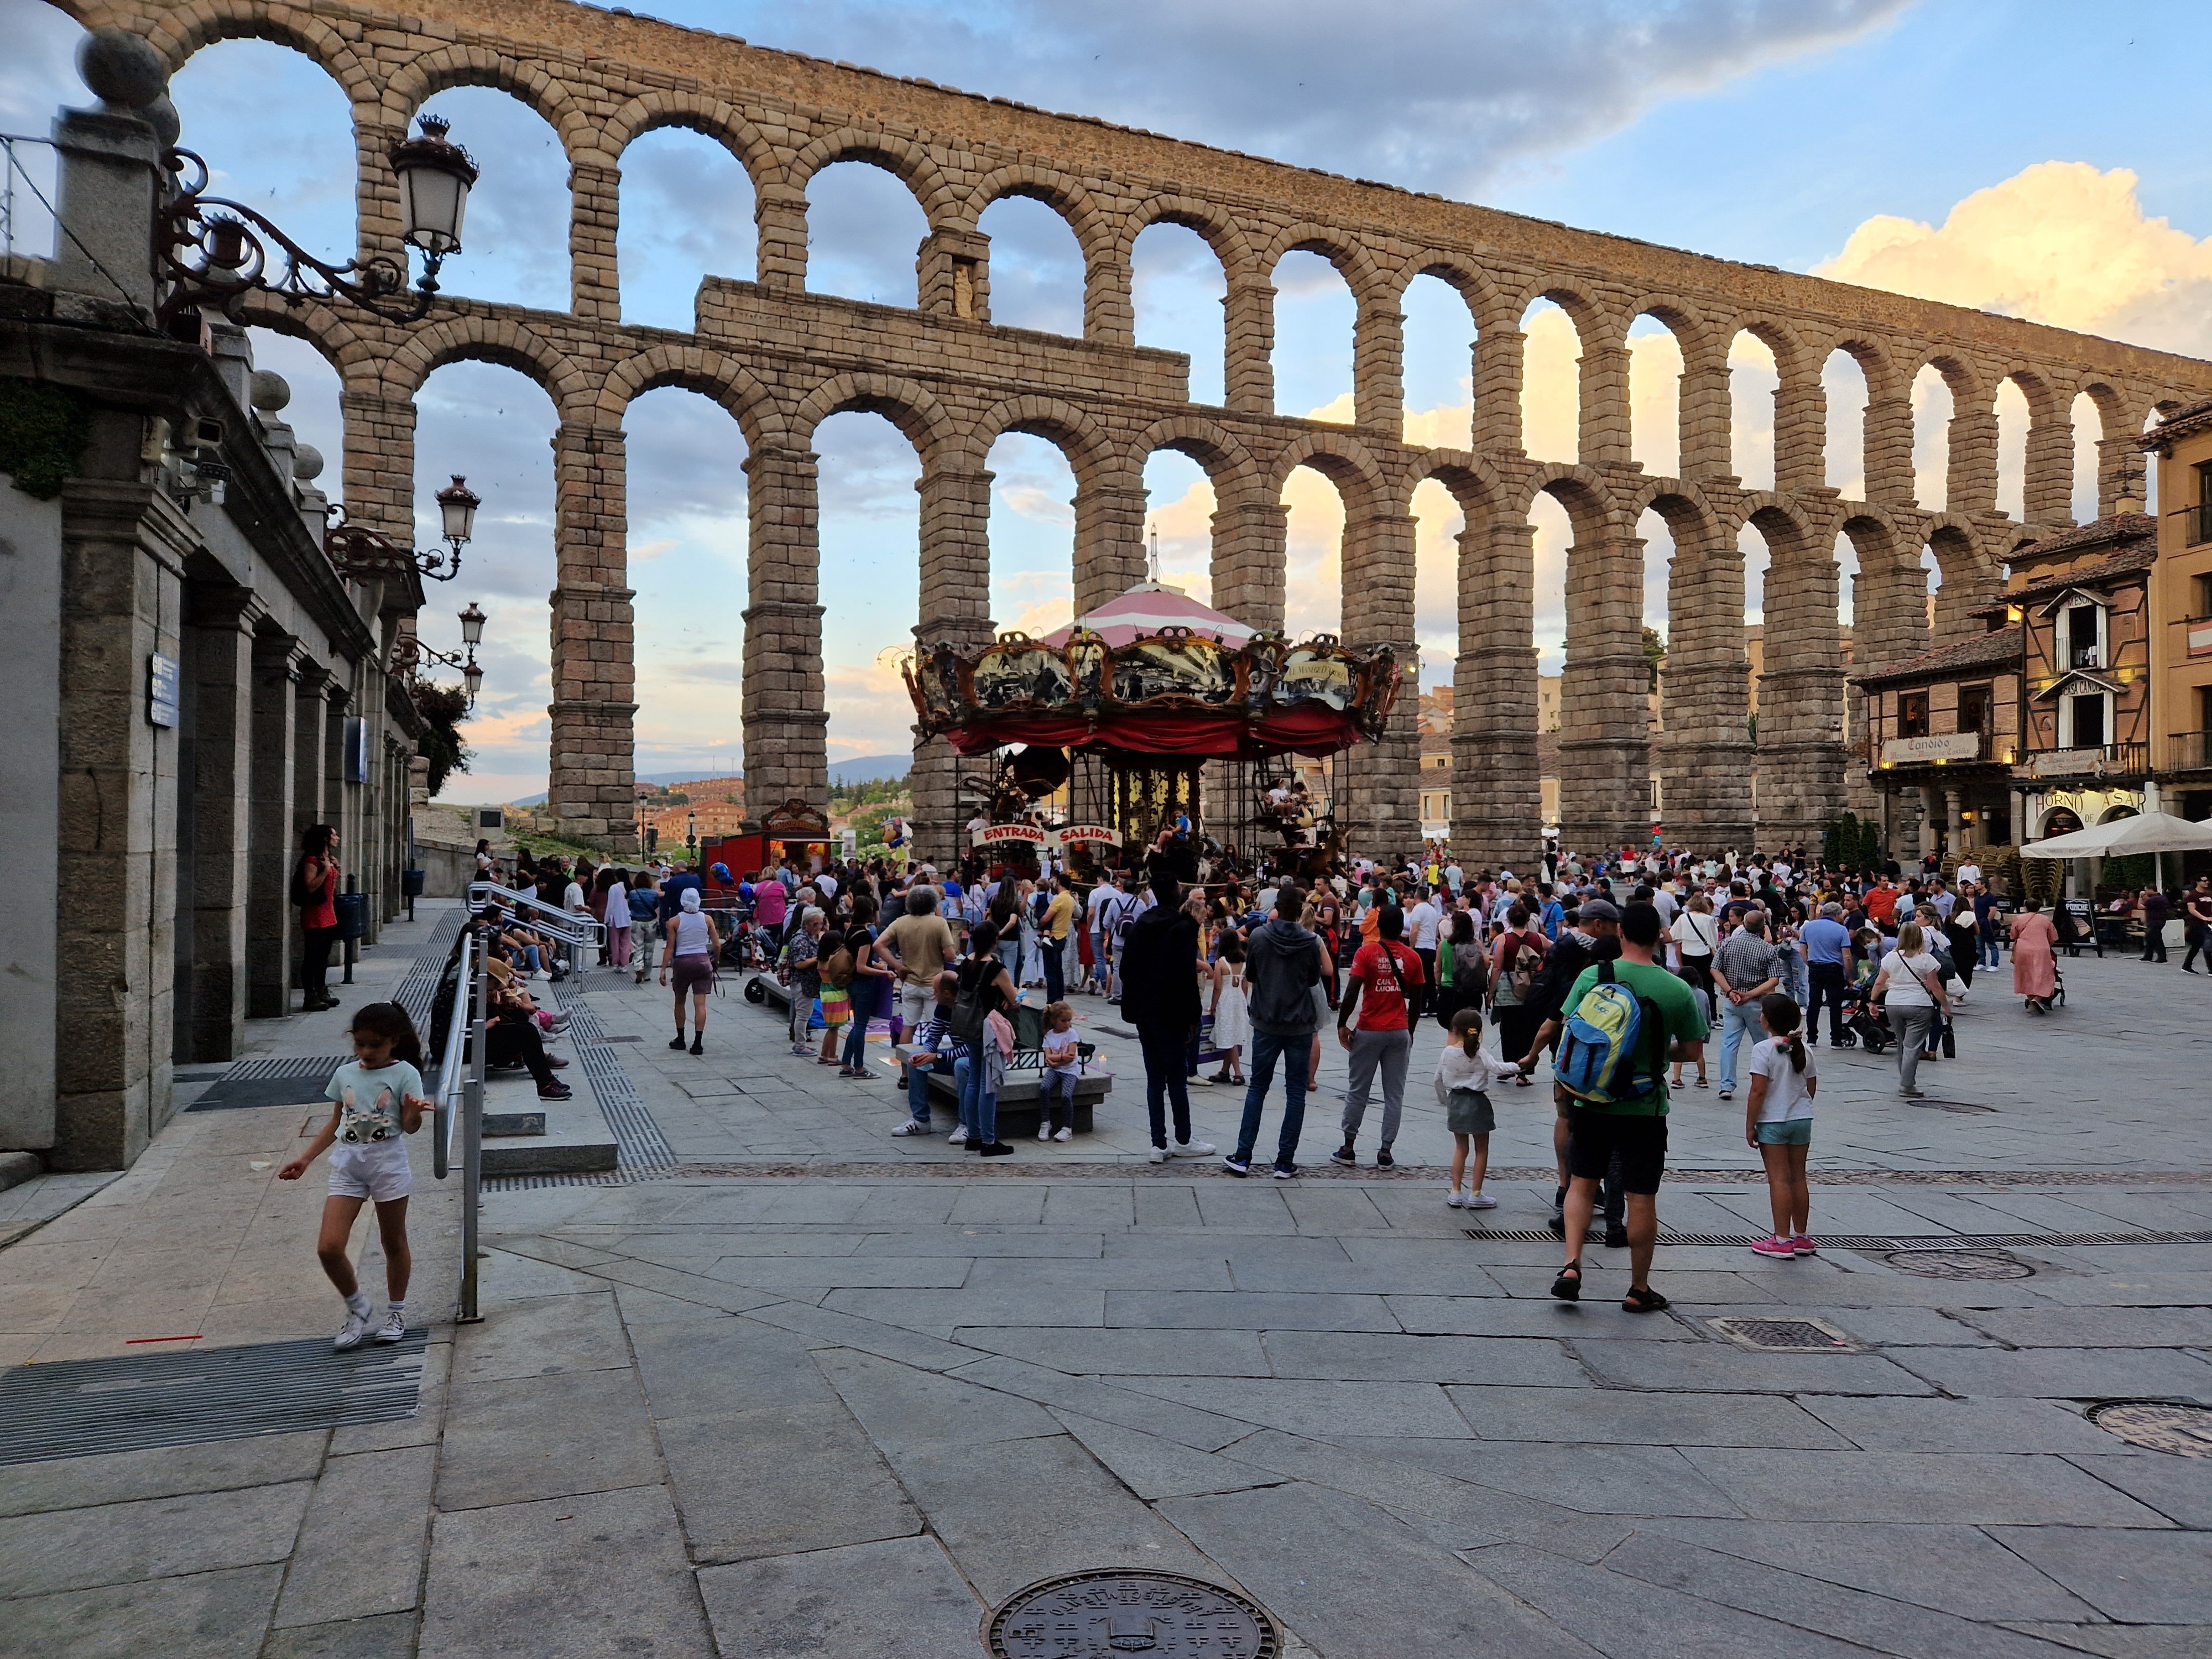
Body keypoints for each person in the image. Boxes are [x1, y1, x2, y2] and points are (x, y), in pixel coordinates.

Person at [1546, 901, 1708, 1313]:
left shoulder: (1593, 975)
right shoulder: (1676, 988)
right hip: (1644, 1106)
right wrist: (1654, 1052)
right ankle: (1638, 1288)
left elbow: (1568, 1029)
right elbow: (1690, 1051)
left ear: (1619, 934)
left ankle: (1571, 1265)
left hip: (1592, 1101)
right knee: (1641, 1198)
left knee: (1582, 1183)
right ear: (1659, 937)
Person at [278, 1003, 434, 1350]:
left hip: (388, 1163)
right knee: (329, 1247)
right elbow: (337, 1121)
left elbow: (409, 1128)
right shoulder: (345, 1073)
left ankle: (397, 1312)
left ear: (393, 1041)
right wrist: (305, 1159)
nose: (366, 1052)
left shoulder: (406, 1073)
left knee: (393, 1243)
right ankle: (358, 1306)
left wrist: (412, 1112)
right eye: (360, 1044)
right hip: (348, 1164)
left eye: (374, 1045)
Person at [1227, 885, 1322, 1178]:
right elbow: (1312, 979)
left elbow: (1252, 974)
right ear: (1300, 910)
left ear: (1277, 908)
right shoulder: (1310, 941)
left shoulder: (1259, 936)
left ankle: (1243, 1155)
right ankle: (1284, 1161)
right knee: (1296, 1092)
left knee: (1258, 1087)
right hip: (1299, 1023)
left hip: (1267, 1020)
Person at [1119, 875, 1214, 1164]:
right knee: (1176, 1078)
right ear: (1177, 895)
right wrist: (1192, 1016)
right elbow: (1185, 974)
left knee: (1154, 1079)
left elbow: (1126, 969)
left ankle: (1158, 1143)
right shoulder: (1181, 927)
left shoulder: (1141, 924)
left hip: (1146, 1012)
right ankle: (1183, 1138)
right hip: (1172, 1012)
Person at [1333, 905, 1424, 1168]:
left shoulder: (1366, 953)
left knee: (1358, 1090)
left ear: (1378, 926)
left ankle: (1348, 1147)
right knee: (1394, 1094)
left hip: (1370, 1029)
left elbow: (1351, 992)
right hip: (1398, 1030)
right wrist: (1411, 1031)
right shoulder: (1412, 957)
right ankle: (1385, 1151)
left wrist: (1342, 1023)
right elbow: (1417, 1000)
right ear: (1402, 928)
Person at [1745, 993, 1818, 1258]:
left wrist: (1750, 1124)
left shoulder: (1763, 1050)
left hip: (1773, 1120)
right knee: (1799, 1176)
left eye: (1762, 1013)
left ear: (1768, 1021)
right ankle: (1801, 1237)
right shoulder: (1804, 1048)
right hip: (1801, 1119)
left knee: (1778, 1179)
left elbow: (1757, 1091)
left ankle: (1781, 1239)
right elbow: (1811, 1088)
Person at [1436, 1004, 1522, 1211]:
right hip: (1478, 1103)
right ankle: (1476, 1193)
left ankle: (1455, 1192)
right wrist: (1520, 1066)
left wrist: (1444, 1101)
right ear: (1478, 1031)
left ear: (1454, 1030)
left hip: (1456, 1101)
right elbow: (1498, 1068)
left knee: (1460, 1148)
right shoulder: (1480, 1052)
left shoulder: (1447, 1053)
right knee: (1481, 1149)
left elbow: (1438, 1079)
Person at [950, 924, 1019, 1155]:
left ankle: (974, 1136)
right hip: (989, 1029)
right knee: (987, 1084)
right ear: (995, 942)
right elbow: (1014, 997)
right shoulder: (996, 968)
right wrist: (1014, 997)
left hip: (970, 1025)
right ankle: (989, 1141)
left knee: (973, 1081)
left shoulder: (966, 964)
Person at [1871, 921, 1951, 1098]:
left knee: (1902, 1042)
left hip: (1893, 1004)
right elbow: (1934, 986)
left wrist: (1872, 1001)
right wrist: (1946, 1006)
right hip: (1919, 1005)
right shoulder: (1926, 959)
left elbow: (1879, 981)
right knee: (1912, 1046)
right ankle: (1907, 1085)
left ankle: (1905, 1077)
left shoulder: (1890, 958)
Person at [1712, 911, 1783, 1102]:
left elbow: (1715, 969)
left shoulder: (1728, 943)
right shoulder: (1767, 949)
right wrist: (1750, 994)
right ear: (1763, 928)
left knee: (1728, 1044)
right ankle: (1767, 1082)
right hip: (1755, 1003)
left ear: (1743, 923)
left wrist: (1730, 991)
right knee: (1762, 1044)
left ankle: (1726, 1085)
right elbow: (1774, 979)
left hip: (1732, 1001)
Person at [894, 968, 958, 1136]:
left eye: (935, 991)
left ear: (946, 993)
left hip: (974, 1058)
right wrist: (926, 1053)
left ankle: (967, 1124)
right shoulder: (943, 1008)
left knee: (962, 1066)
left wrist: (937, 1057)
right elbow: (933, 1037)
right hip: (955, 1054)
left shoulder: (966, 1011)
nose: (933, 994)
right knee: (915, 1060)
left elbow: (974, 1050)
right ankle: (920, 1120)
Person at [659, 888, 721, 1055]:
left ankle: (680, 1039)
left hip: (683, 962)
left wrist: (664, 969)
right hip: (702, 961)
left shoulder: (674, 922)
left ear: (683, 901)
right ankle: (698, 1043)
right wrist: (716, 960)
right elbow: (717, 945)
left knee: (680, 1001)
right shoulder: (707, 920)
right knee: (700, 1004)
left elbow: (670, 947)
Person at [293, 824, 343, 1011]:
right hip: (315, 915)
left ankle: (322, 990)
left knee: (323, 957)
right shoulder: (312, 861)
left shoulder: (326, 859)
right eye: (334, 835)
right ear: (325, 839)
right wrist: (325, 870)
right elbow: (310, 887)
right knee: (312, 957)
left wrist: (333, 868)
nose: (337, 838)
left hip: (328, 913)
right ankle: (310, 995)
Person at [1798, 901, 1854, 1047]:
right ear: (1837, 915)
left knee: (1814, 1002)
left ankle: (1811, 1038)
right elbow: (1847, 956)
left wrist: (1809, 963)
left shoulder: (1808, 927)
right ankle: (1836, 1038)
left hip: (1815, 967)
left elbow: (1802, 951)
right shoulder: (1841, 930)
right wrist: (1849, 977)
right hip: (1834, 968)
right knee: (1835, 1004)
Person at [1207, 931, 1250, 1086]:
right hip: (1239, 1000)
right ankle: (1224, 1071)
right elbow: (1245, 985)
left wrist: (1212, 1006)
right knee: (1233, 1034)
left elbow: (1217, 987)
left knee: (1228, 1036)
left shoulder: (1221, 962)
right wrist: (1243, 1001)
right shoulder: (1244, 961)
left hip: (1225, 1000)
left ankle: (1238, 1073)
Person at [782, 907, 826, 1058]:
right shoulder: (800, 939)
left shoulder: (812, 937)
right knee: (802, 1014)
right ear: (806, 924)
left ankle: (802, 1043)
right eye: (815, 924)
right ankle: (799, 1045)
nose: (819, 927)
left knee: (805, 1013)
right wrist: (819, 958)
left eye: (821, 924)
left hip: (808, 982)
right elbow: (799, 963)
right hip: (801, 981)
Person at [1037, 1000, 1080, 1142]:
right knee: (1044, 1088)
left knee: (1066, 1096)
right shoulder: (1049, 1036)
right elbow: (1048, 1057)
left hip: (1069, 1071)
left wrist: (1057, 1060)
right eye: (1063, 1021)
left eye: (1069, 1021)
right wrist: (1061, 1058)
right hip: (1054, 1070)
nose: (1067, 1024)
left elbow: (1071, 1057)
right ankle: (1045, 1122)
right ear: (1054, 1020)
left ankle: (1067, 1128)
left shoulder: (1072, 1034)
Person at [2009, 899, 2060, 1014]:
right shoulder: (2045, 920)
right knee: (2043, 974)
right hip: (2041, 949)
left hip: (2023, 949)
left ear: (2025, 907)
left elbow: (2013, 935)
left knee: (2025, 974)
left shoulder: (2019, 919)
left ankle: (2031, 999)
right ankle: (2038, 998)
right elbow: (2053, 937)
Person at [1041, 873, 1077, 1004]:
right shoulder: (1070, 899)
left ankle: (1051, 999)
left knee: (1050, 971)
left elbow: (1046, 917)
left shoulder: (1059, 899)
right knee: (1058, 969)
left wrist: (1040, 923)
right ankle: (1059, 996)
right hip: (1063, 935)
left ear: (1060, 884)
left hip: (1053, 936)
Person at [2185, 878, 2212, 974]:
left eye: (2207, 881)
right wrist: (2204, 918)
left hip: (2209, 924)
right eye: (2204, 881)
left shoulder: (2208, 895)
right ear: (2198, 882)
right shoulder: (2193, 895)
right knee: (2205, 946)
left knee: (2198, 946)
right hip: (2197, 924)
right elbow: (2192, 909)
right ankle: (2210, 969)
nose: (2207, 882)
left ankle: (2187, 965)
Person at [2142, 885, 2172, 964]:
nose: (2145, 892)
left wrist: (2142, 897)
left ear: (2151, 890)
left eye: (2146, 890)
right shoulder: (2162, 898)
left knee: (2157, 939)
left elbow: (2142, 905)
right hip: (2160, 920)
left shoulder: (2154, 899)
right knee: (2150, 938)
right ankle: (2148, 956)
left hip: (2155, 921)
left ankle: (2162, 957)